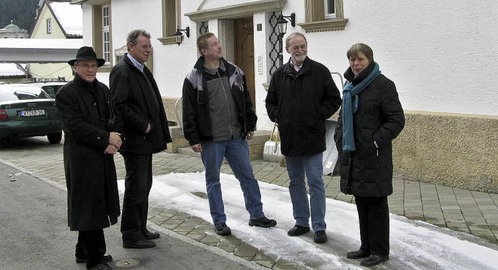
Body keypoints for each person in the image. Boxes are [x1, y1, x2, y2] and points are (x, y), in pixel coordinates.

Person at [182, 32, 277, 236]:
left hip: (235, 137)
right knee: (213, 180)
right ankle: (219, 221)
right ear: (204, 51)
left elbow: (246, 100)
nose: (219, 46)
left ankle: (257, 215)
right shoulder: (194, 77)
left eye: (219, 42)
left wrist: (250, 124)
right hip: (211, 140)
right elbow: (188, 112)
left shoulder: (235, 72)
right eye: (214, 44)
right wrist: (193, 138)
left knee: (248, 177)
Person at [265, 32, 341, 244]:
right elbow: (270, 102)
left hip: (312, 137)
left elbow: (335, 98)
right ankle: (301, 222)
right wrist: (278, 116)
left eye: (303, 46)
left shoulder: (319, 71)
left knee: (316, 182)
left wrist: (318, 114)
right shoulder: (280, 74)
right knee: (295, 181)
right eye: (295, 47)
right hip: (290, 137)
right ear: (288, 50)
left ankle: (319, 226)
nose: (300, 50)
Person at [334, 43, 405, 267]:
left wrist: (375, 140)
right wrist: (339, 137)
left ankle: (380, 250)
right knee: (361, 201)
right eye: (352, 60)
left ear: (370, 60)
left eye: (360, 60)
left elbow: (396, 120)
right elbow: (342, 117)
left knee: (376, 203)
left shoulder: (383, 85)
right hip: (354, 155)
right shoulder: (350, 86)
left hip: (374, 156)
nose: (355, 64)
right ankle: (365, 246)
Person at [55, 46, 123, 270]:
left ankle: (83, 251)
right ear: (75, 68)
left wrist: (114, 140)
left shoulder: (103, 90)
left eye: (93, 66)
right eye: (85, 66)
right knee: (89, 206)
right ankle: (95, 259)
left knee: (97, 204)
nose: (90, 69)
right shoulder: (66, 94)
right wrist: (105, 138)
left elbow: (113, 117)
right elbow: (74, 126)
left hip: (103, 157)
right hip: (82, 160)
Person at [110, 30, 172, 249]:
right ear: (130, 47)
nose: (148, 50)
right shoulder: (122, 71)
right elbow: (119, 105)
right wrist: (142, 123)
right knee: (136, 186)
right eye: (144, 46)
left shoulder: (141, 69)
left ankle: (140, 227)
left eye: (149, 46)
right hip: (135, 140)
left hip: (144, 140)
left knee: (144, 185)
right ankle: (130, 234)